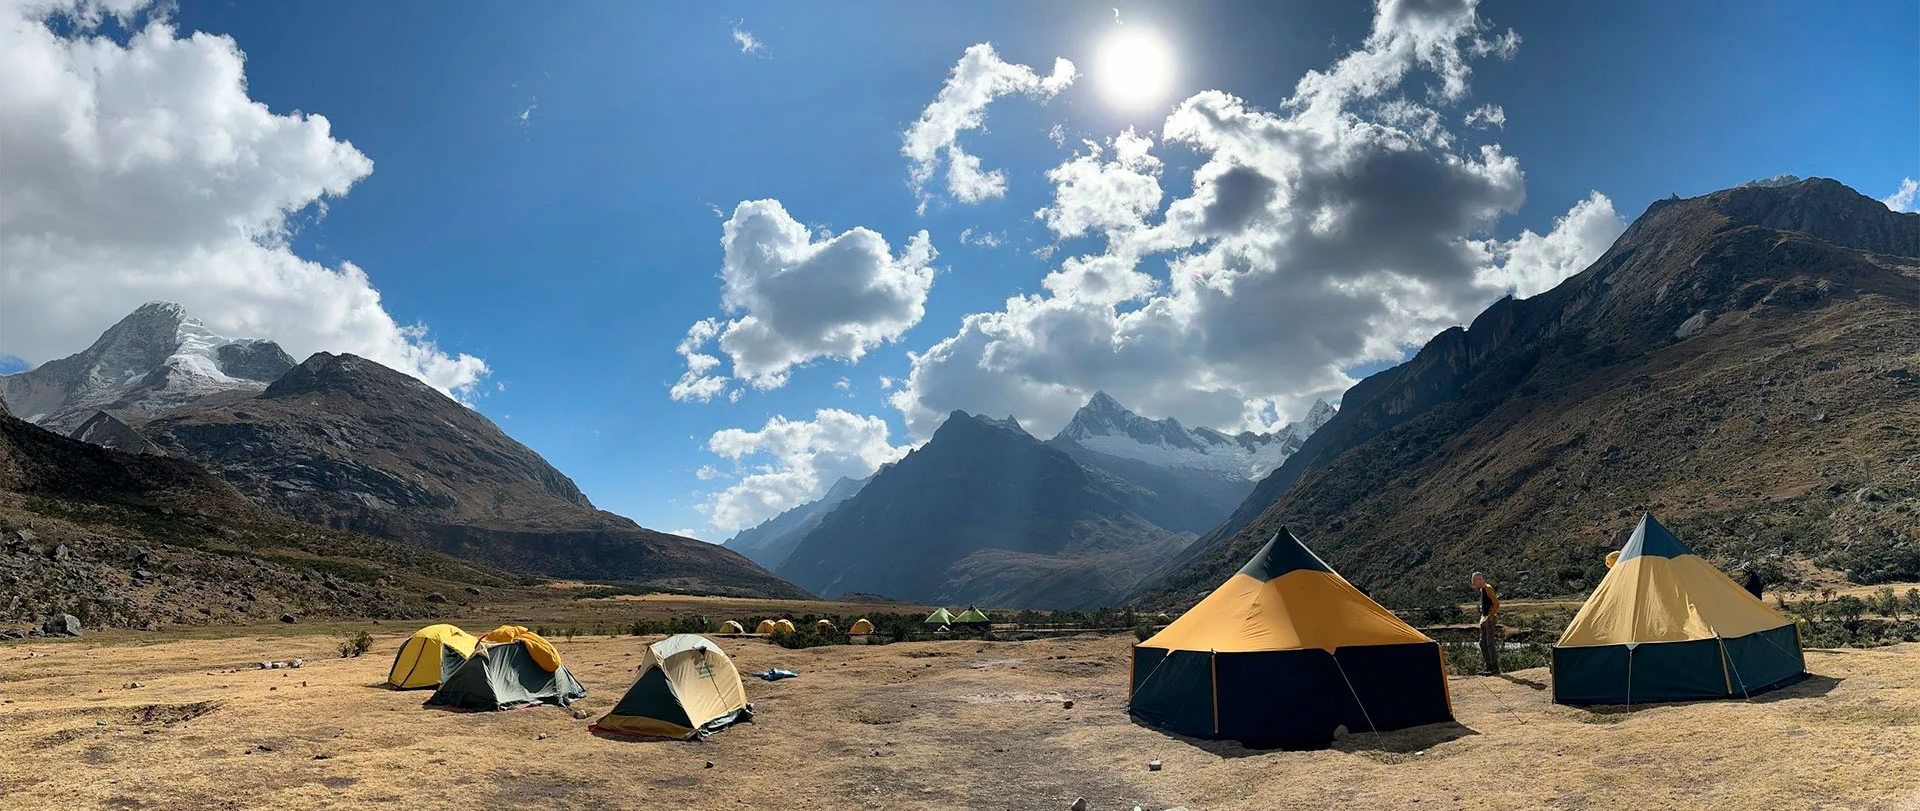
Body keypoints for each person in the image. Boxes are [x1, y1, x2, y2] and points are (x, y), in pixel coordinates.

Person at [1472, 571, 1500, 676]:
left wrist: (1491, 615)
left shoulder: (1488, 588)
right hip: (1483, 619)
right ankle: (1488, 667)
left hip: (1489, 619)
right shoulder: (1482, 590)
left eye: (1474, 580)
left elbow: (1496, 603)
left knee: (1489, 643)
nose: (1473, 583)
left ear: (1479, 579)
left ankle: (1494, 668)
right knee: (1482, 643)